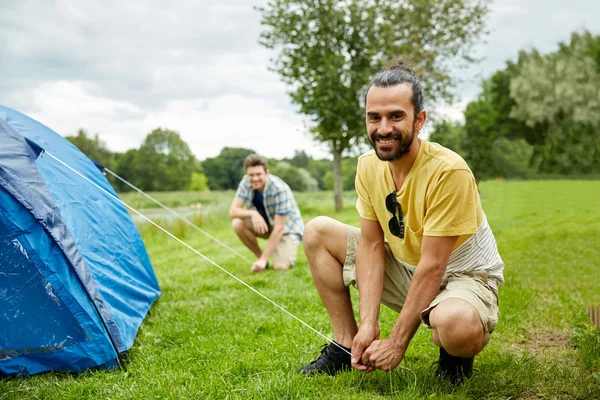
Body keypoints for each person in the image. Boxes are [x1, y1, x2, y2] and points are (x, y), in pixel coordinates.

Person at [297, 58, 504, 383]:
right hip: (408, 269)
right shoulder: (368, 166)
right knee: (317, 232)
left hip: (463, 276)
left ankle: (456, 352)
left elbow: (434, 266)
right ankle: (346, 344)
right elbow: (371, 245)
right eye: (374, 117)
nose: (383, 129)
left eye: (396, 116)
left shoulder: (449, 171)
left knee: (455, 325)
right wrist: (369, 323)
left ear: (419, 120)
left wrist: (396, 343)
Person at [229, 154, 304, 272]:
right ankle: (261, 259)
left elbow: (279, 227)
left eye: (258, 174)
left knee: (280, 267)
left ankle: (279, 255)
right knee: (237, 223)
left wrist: (265, 257)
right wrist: (253, 213)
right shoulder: (245, 182)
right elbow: (233, 211)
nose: (254, 179)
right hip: (266, 224)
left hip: (287, 229)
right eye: (251, 175)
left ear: (267, 172)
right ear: (247, 174)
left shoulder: (279, 189)